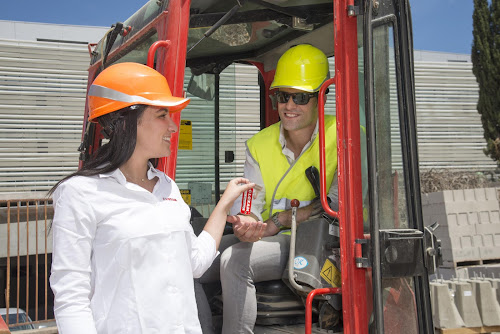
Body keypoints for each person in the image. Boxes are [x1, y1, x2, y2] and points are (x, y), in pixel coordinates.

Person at [49, 62, 258, 334]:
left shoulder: (167, 186)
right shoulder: (80, 193)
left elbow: (195, 262)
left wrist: (225, 203)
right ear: (125, 121)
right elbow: (71, 297)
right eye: (162, 115)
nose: (173, 126)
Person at [197, 44, 340, 334]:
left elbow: (336, 204)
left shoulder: (343, 135)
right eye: (282, 96)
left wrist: (280, 220)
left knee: (235, 261)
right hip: (268, 236)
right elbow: (249, 203)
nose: (289, 105)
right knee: (191, 263)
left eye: (300, 97)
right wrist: (245, 222)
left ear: (321, 97)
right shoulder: (260, 144)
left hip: (319, 238)